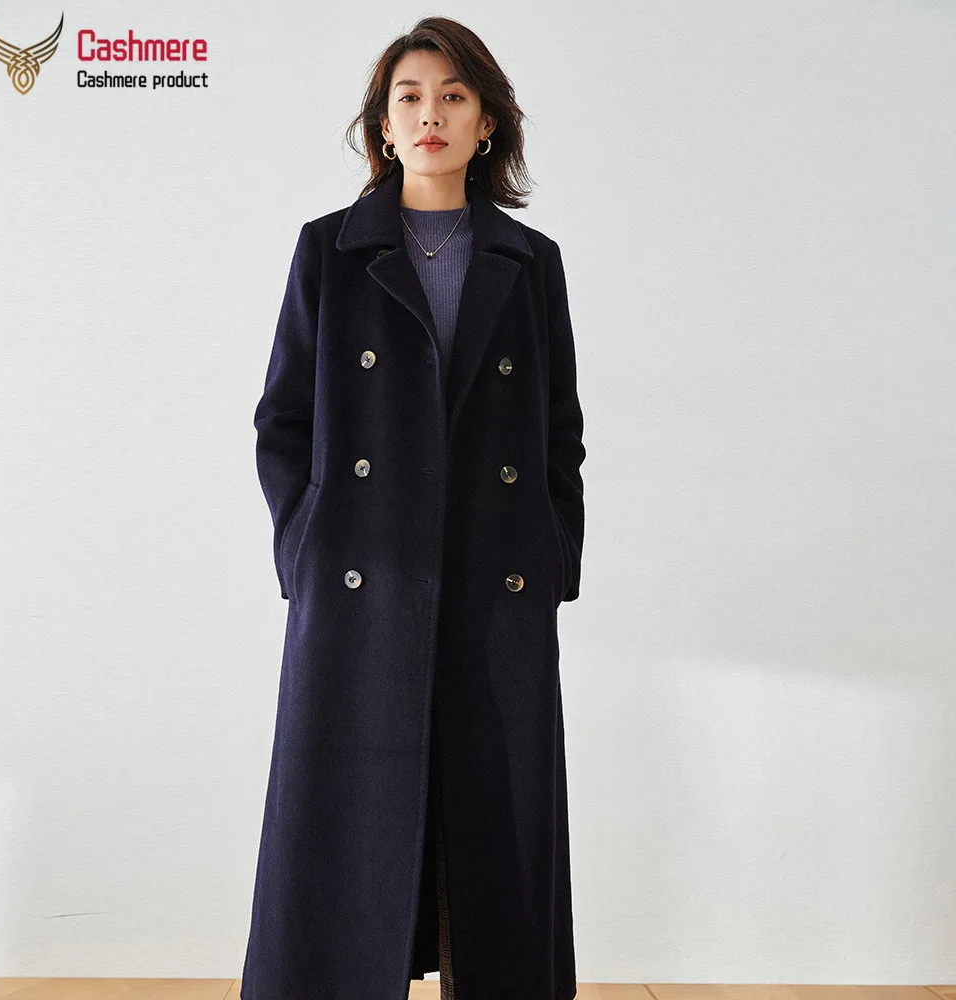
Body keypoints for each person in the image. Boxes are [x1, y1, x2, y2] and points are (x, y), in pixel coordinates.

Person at [241, 16, 585, 1000]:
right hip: (362, 585)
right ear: (383, 127)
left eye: (452, 96)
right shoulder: (330, 252)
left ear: (487, 123)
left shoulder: (531, 262)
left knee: (498, 827)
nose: (430, 113)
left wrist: (549, 561)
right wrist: (309, 552)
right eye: (409, 97)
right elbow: (283, 421)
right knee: (342, 832)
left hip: (495, 585)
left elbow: (558, 434)